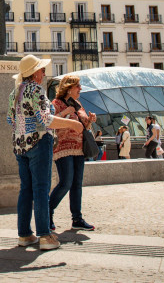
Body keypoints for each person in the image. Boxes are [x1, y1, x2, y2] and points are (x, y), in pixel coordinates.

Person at [7, 55, 84, 251]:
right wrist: (73, 124)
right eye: (41, 70)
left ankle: (24, 235)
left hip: (19, 145)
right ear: (34, 73)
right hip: (39, 143)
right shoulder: (36, 90)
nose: (44, 73)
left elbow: (10, 120)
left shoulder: (15, 92)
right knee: (41, 189)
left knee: (26, 189)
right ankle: (44, 235)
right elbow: (46, 120)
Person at [49, 75, 96, 233]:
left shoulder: (79, 104)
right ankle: (47, 212)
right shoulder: (56, 103)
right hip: (63, 148)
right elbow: (49, 121)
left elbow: (83, 126)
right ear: (69, 88)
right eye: (78, 86)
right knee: (65, 182)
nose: (80, 89)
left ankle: (77, 219)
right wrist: (65, 113)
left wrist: (89, 120)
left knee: (77, 184)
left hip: (79, 148)